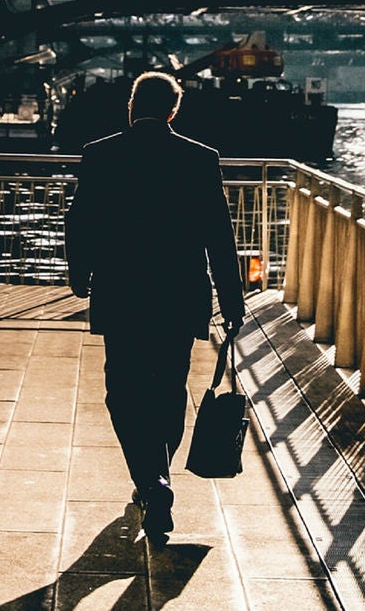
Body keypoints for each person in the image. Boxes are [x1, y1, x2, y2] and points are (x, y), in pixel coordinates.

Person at [66, 71, 245, 546]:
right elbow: (218, 236)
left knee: (122, 390)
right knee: (169, 388)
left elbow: (81, 220)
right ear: (173, 110)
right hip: (179, 293)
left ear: (131, 107)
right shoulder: (200, 159)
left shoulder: (100, 154)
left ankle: (151, 480)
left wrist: (78, 272)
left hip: (122, 292)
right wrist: (231, 299)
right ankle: (157, 474)